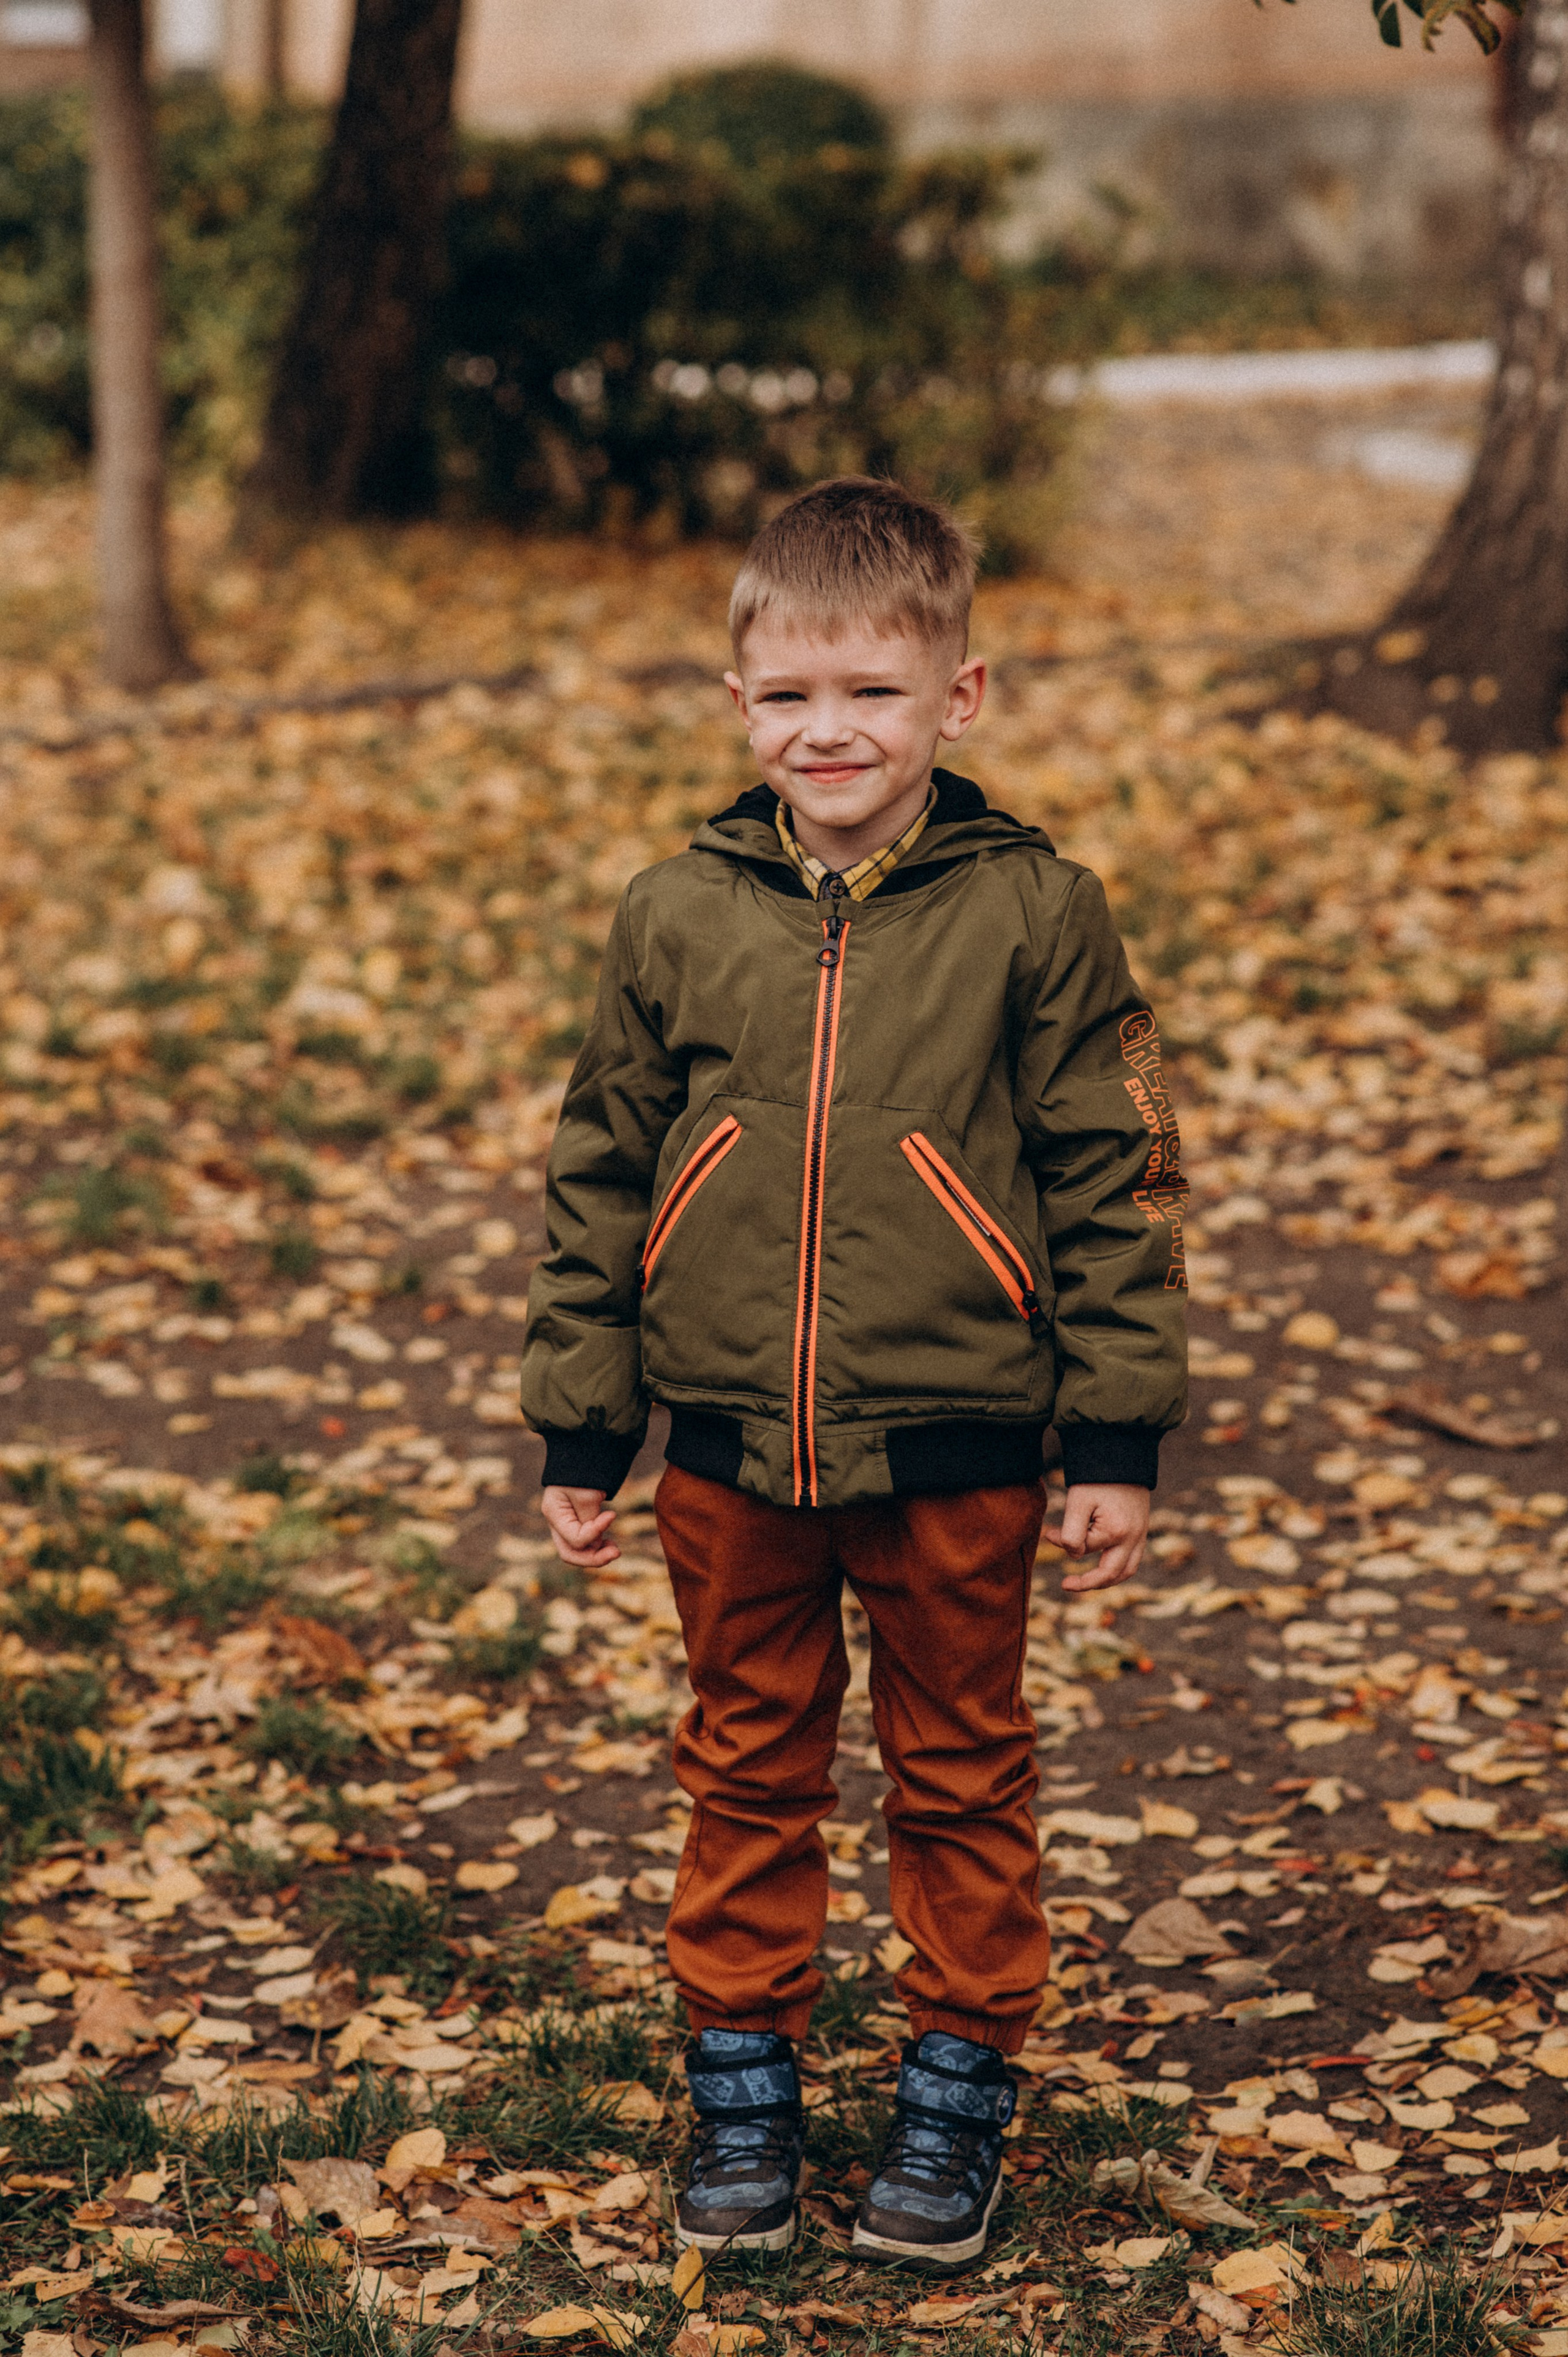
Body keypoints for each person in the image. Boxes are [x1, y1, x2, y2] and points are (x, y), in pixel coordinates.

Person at [521, 475, 1188, 2268]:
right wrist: (585, 1427)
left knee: (960, 1764)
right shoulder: (675, 911)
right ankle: (744, 2082)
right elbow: (601, 1168)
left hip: (960, 1442)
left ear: (956, 699)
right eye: (792, 695)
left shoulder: (1037, 913)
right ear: (742, 704)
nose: (832, 730)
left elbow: (1113, 1175)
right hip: (730, 1447)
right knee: (747, 1762)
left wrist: (1112, 1431)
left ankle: (958, 2084)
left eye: (874, 693)